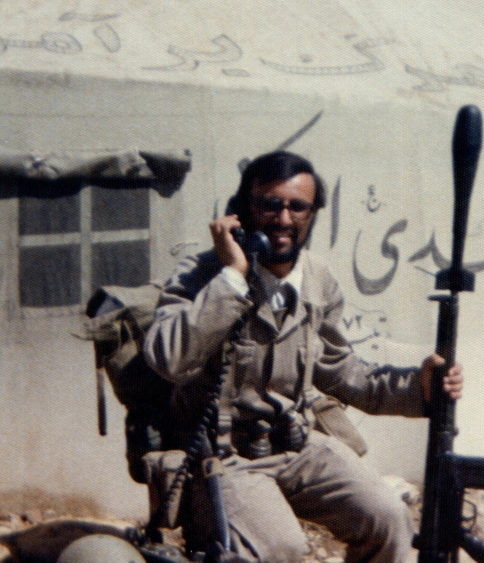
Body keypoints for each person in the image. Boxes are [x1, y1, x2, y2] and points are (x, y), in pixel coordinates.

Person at [143, 151, 463, 562]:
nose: (284, 219)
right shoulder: (202, 275)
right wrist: (232, 277)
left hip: (297, 445)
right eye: (269, 205)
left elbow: (340, 372)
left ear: (312, 215)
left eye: (298, 207)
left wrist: (418, 386)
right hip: (225, 458)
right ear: (242, 210)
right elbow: (167, 358)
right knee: (282, 548)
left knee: (388, 517)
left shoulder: (317, 279)